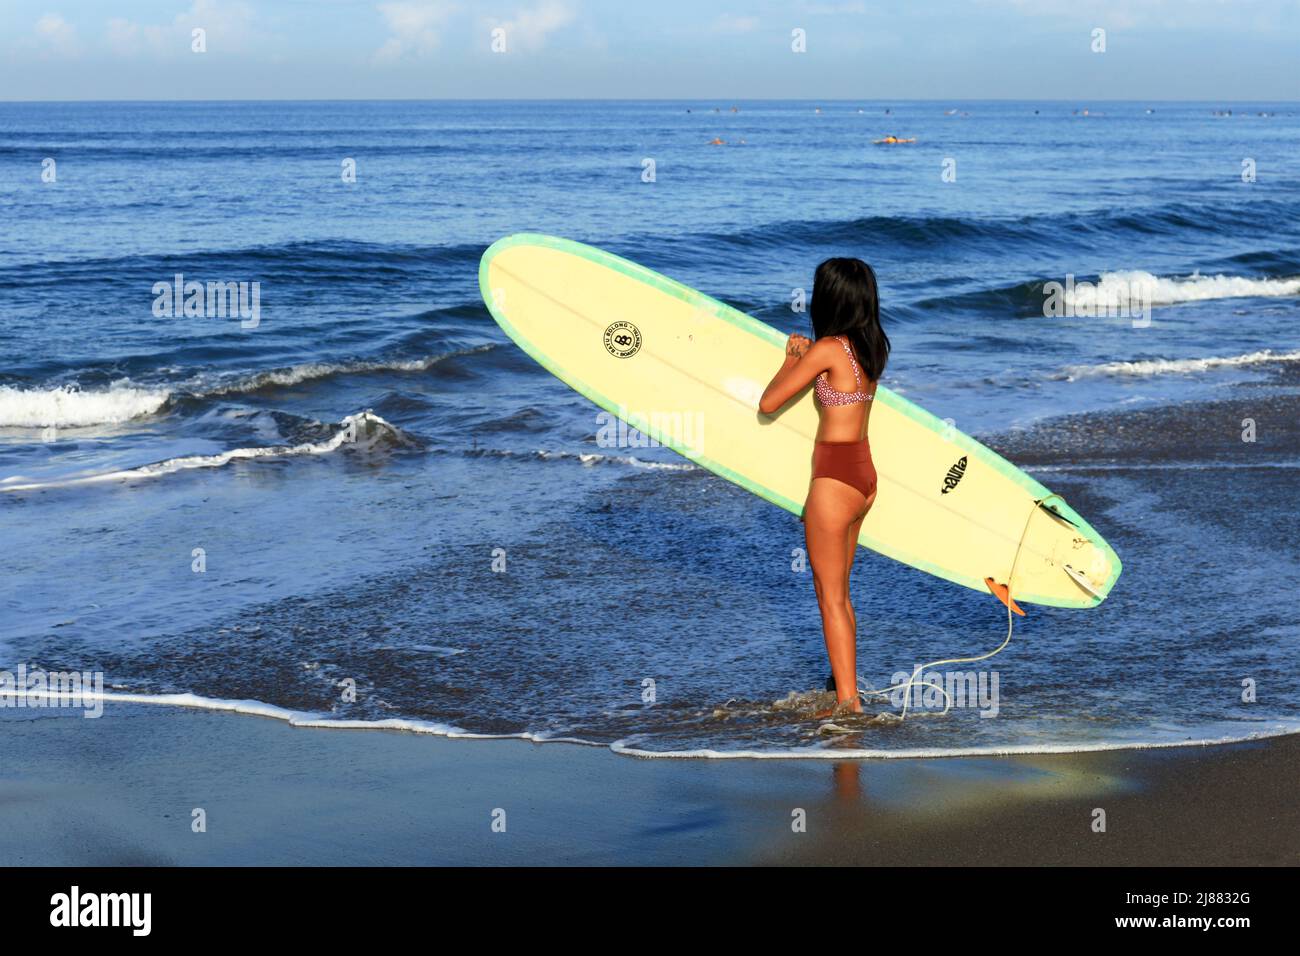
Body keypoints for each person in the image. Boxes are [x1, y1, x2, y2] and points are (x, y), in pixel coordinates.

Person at [759, 259, 890, 714]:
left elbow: (770, 401)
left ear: (828, 299)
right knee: (840, 594)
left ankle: (849, 705)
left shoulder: (828, 349)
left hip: (833, 481)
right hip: (864, 477)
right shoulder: (872, 348)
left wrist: (791, 359)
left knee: (829, 597)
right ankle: (844, 689)